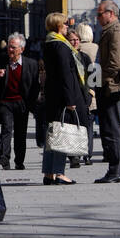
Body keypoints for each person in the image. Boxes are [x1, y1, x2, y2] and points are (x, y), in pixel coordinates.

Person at [40, 13, 86, 186]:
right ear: (58, 26)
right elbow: (65, 75)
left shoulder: (49, 43)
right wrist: (70, 100)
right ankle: (59, 172)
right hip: (62, 97)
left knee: (53, 134)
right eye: (65, 24)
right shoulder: (61, 46)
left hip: (54, 95)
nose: (67, 26)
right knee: (61, 133)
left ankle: (49, 173)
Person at [0, 33, 39, 170]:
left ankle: (19, 161)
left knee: (20, 133)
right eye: (9, 47)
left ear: (21, 49)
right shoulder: (0, 61)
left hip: (22, 102)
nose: (10, 50)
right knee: (6, 129)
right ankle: (4, 157)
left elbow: (35, 85)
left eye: (13, 47)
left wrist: (32, 103)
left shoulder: (31, 64)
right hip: (6, 102)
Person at [94, 0, 120, 183]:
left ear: (110, 13)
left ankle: (116, 170)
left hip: (112, 86)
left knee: (112, 128)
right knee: (109, 128)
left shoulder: (115, 32)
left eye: (100, 14)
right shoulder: (109, 31)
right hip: (108, 84)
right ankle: (116, 170)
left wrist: (100, 77)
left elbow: (115, 62)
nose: (98, 17)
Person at [68, 27, 95, 167]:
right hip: (70, 96)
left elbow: (94, 76)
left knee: (84, 126)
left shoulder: (85, 57)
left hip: (84, 96)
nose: (75, 42)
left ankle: (86, 154)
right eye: (72, 39)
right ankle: (74, 157)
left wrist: (91, 92)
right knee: (71, 127)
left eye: (77, 40)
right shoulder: (66, 56)